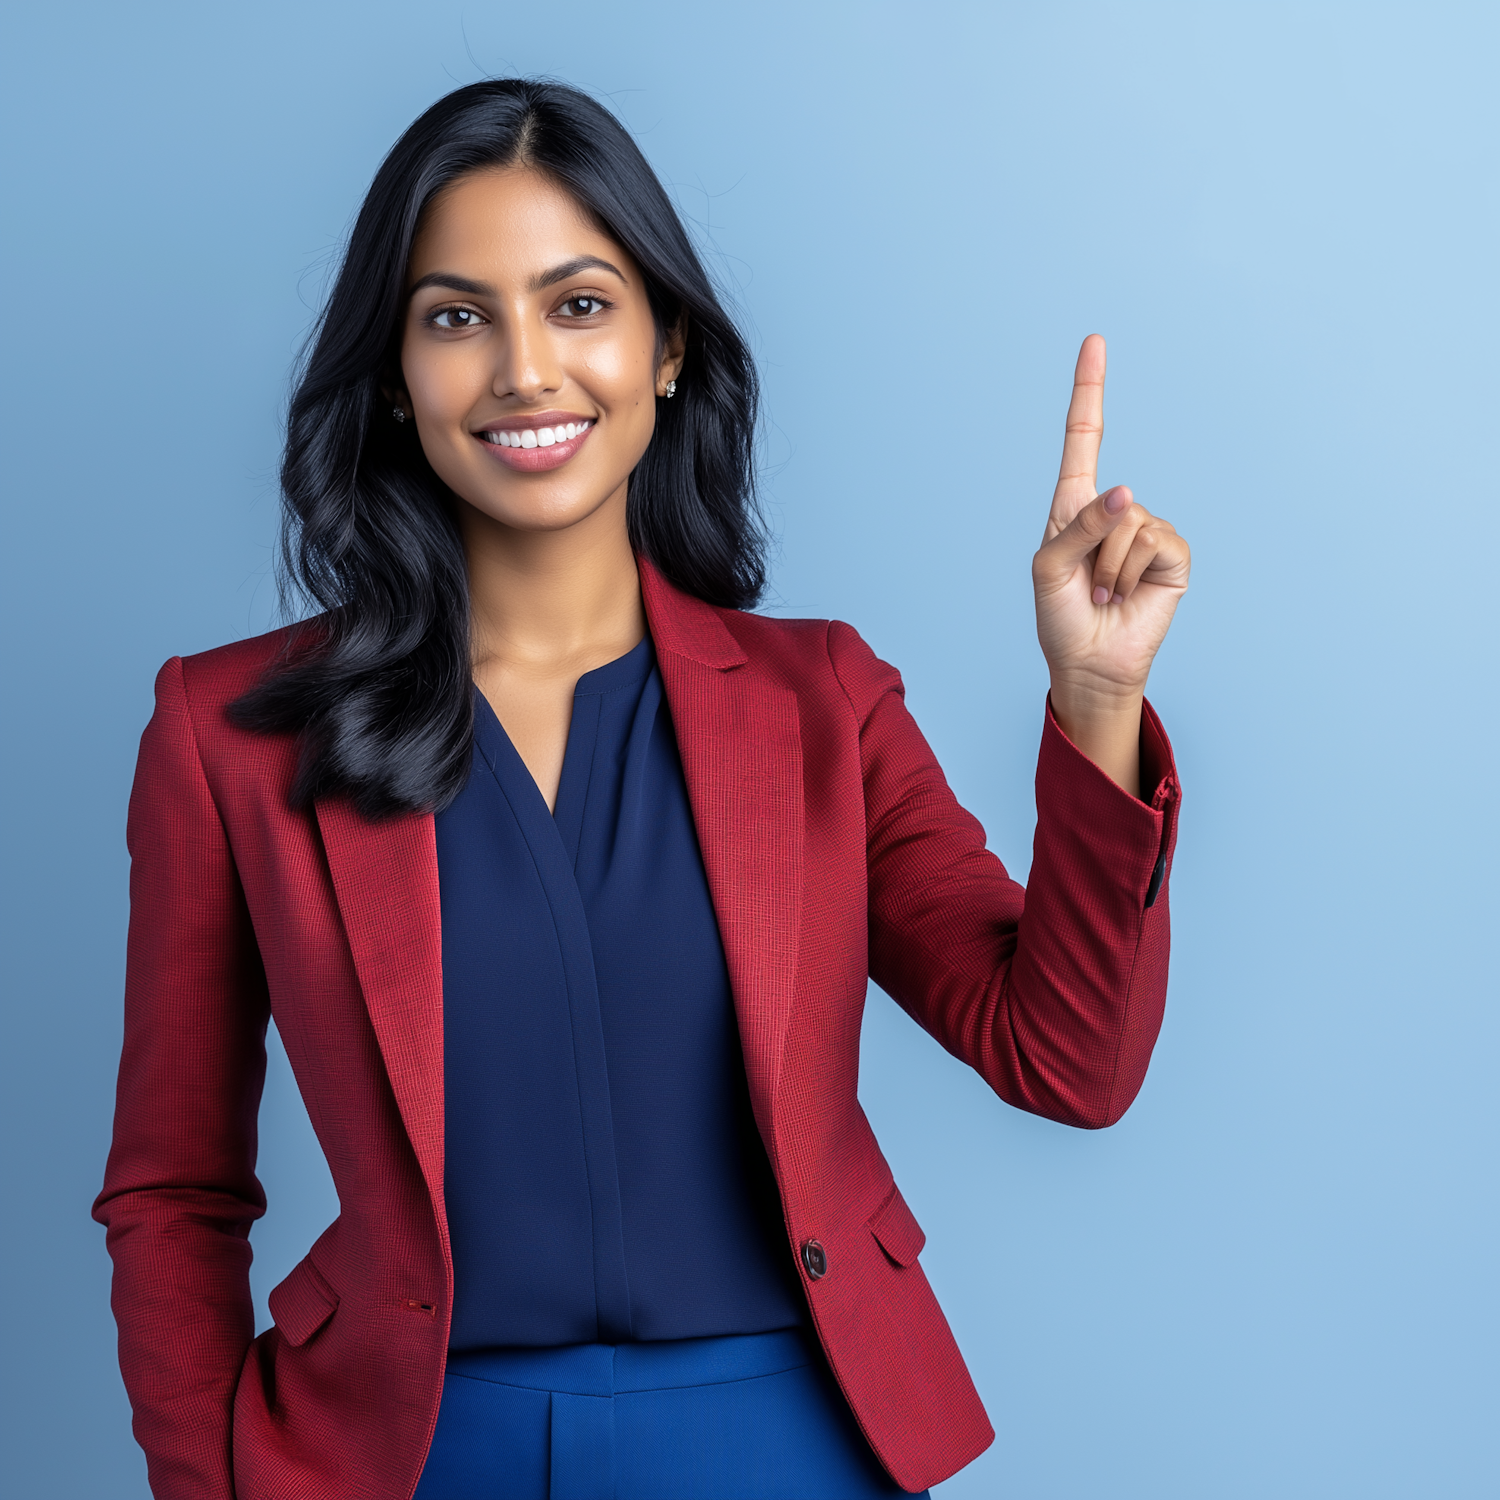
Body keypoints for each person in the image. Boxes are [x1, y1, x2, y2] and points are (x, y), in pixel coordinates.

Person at [93, 78, 1190, 1500]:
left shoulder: (823, 701)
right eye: (455, 316)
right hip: (409, 1454)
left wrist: (1099, 702)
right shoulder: (225, 731)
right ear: (392, 376)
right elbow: (171, 1189)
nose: (523, 369)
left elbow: (1068, 1062)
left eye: (580, 304)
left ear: (667, 345)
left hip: (789, 1440)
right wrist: (209, 1483)